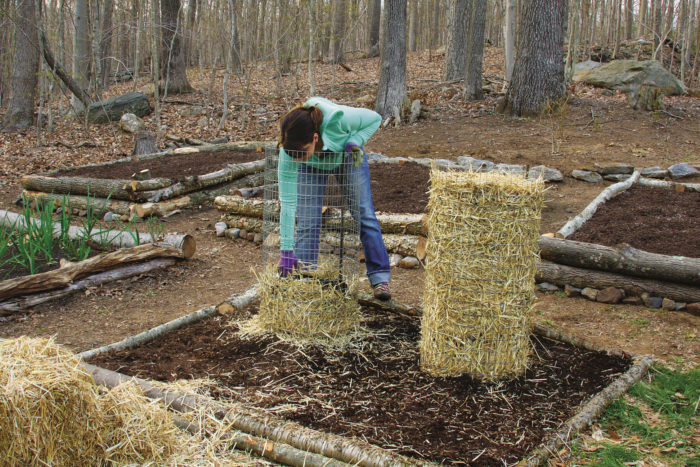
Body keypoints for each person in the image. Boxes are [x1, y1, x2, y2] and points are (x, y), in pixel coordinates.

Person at [277, 97, 391, 301]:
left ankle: (380, 278)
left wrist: (355, 141)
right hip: (311, 166)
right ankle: (305, 279)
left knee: (364, 215)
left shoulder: (338, 120)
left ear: (314, 137)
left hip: (347, 155)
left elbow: (374, 118)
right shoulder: (291, 153)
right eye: (291, 153)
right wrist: (286, 249)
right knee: (307, 221)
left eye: (300, 153)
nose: (294, 158)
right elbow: (287, 203)